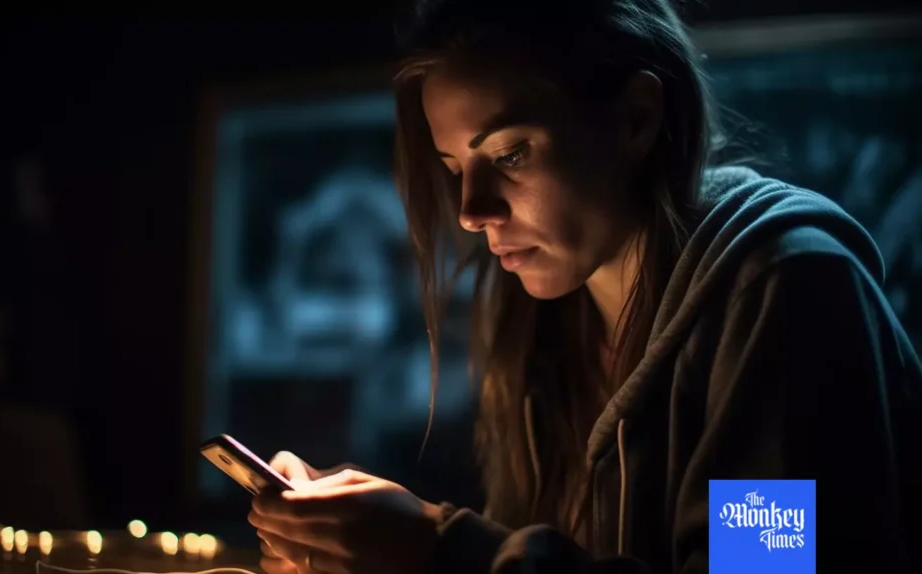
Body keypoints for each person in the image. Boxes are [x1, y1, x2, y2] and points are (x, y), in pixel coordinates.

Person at [246, 0, 921, 572]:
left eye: (510, 154)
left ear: (636, 120)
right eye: (455, 167)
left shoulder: (788, 295)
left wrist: (440, 551)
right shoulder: (538, 323)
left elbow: (765, 565)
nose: (471, 211)